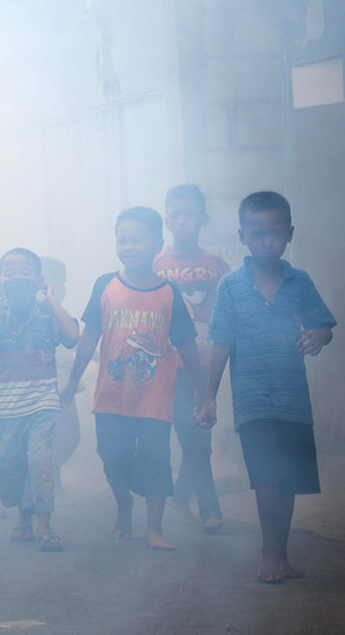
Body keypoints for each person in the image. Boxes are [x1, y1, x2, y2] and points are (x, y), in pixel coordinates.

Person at [197, 191, 335, 583]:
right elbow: (221, 342)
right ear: (242, 236)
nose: (267, 240)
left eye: (275, 232)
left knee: (287, 480)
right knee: (267, 477)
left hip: (293, 400)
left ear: (289, 234)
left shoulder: (299, 281)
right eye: (258, 233)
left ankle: (280, 556)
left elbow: (324, 325)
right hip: (254, 400)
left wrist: (320, 336)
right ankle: (267, 555)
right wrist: (208, 396)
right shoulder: (230, 286)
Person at [63, 207, 203, 551]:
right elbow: (89, 336)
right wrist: (71, 381)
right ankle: (124, 504)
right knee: (112, 457)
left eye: (136, 239)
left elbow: (186, 344)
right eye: (121, 239)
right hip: (112, 396)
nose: (127, 246)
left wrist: (203, 390)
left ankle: (154, 529)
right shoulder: (105, 285)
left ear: (157, 243)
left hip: (155, 397)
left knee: (157, 460)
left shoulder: (169, 292)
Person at [0, 248, 79, 551]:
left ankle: (44, 525)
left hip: (42, 403)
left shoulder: (47, 313)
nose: (17, 277)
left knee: (38, 459)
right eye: (9, 272)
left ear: (39, 279)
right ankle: (23, 519)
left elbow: (72, 335)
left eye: (24, 272)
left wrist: (51, 298)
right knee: (5, 461)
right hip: (5, 407)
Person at [154, 184, 228, 533]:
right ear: (167, 219)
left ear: (204, 219)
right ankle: (207, 508)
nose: (182, 221)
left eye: (190, 214)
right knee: (193, 434)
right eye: (176, 214)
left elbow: (228, 314)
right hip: (164, 365)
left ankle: (184, 498)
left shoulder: (215, 266)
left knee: (196, 433)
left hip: (204, 364)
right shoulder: (155, 264)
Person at [41, 257, 81, 501]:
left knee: (71, 437)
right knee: (43, 438)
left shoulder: (63, 315)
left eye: (61, 284)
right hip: (40, 388)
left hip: (65, 388)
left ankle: (52, 472)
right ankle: (48, 479)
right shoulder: (29, 315)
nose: (59, 290)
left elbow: (76, 341)